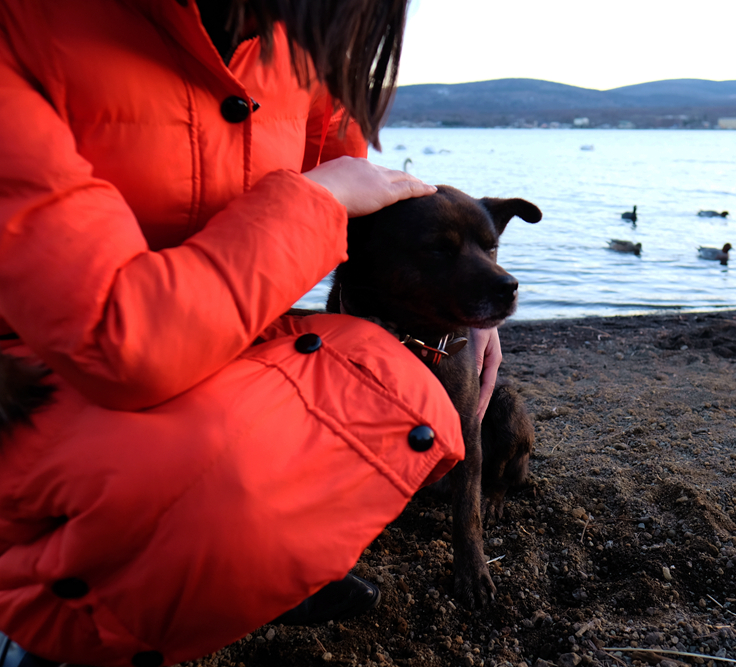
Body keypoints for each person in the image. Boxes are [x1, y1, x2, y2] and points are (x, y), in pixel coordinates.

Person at [0, 0, 501, 664]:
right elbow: (114, 339)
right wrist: (317, 202)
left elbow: (368, 197)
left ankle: (254, 567)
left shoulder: (293, 34)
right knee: (225, 473)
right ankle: (36, 616)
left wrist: (460, 306)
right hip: (34, 376)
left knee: (394, 375)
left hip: (207, 341)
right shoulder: (20, 27)